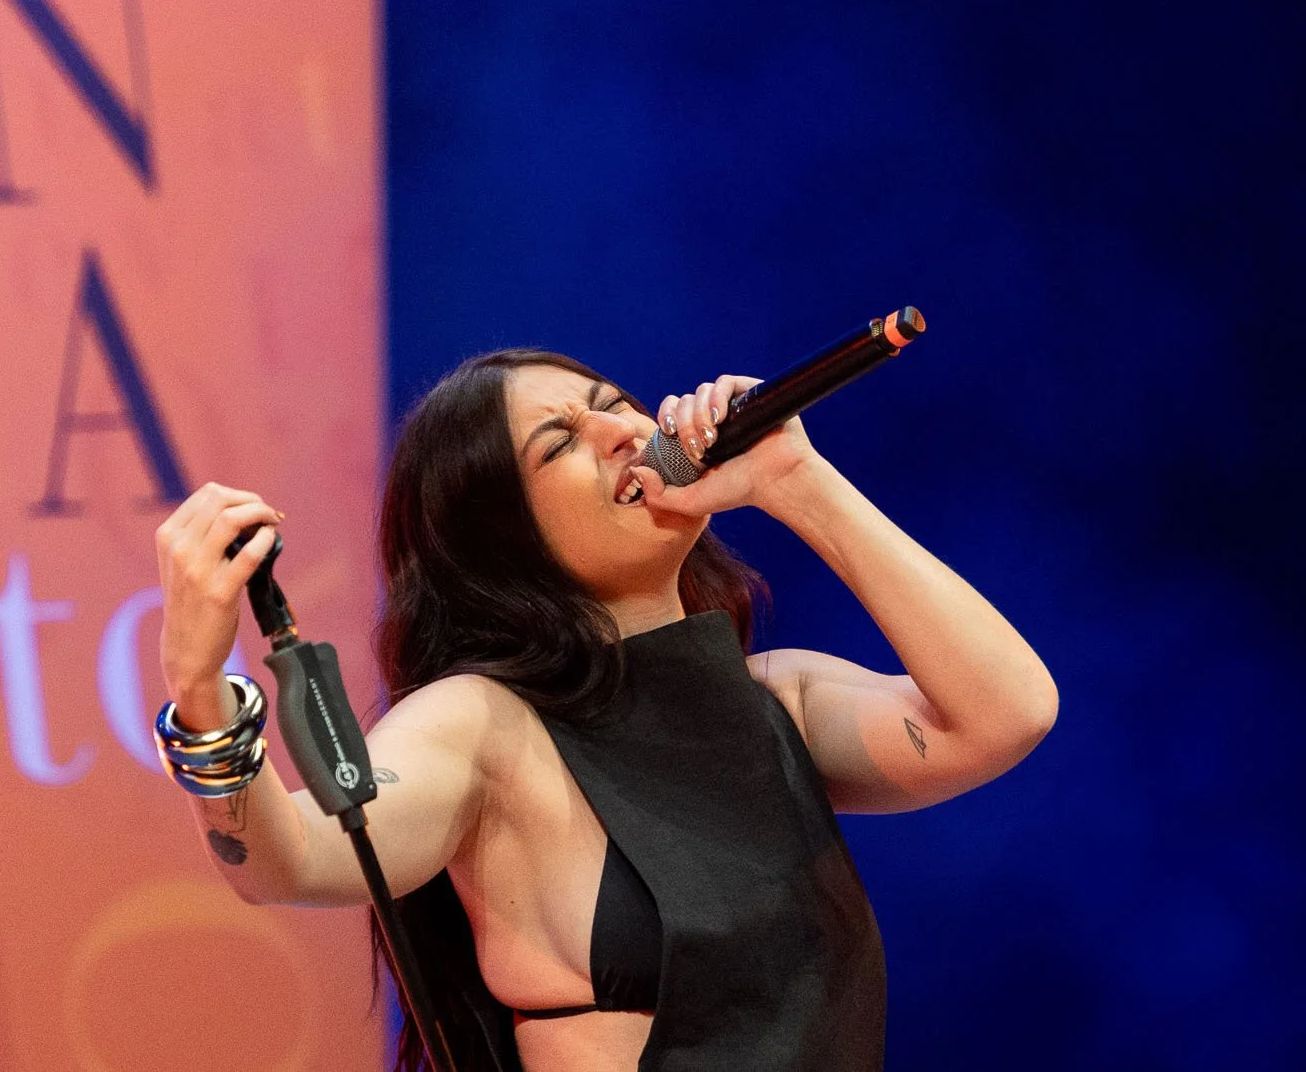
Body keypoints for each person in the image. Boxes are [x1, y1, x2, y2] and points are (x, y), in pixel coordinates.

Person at [152, 350, 1058, 1072]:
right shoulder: (484, 725)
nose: (624, 430)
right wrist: (199, 691)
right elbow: (294, 853)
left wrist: (799, 482)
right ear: (501, 540)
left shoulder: (779, 698)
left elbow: (1006, 713)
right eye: (561, 441)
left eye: (615, 403)